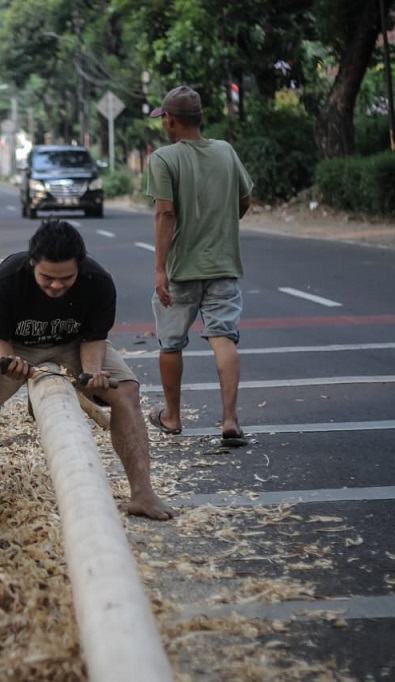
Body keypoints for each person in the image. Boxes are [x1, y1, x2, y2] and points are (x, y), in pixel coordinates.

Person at [0, 219, 176, 528]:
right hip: (13, 344)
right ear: (32, 264)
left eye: (66, 278)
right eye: (47, 278)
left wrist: (93, 372)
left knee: (127, 391)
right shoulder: (7, 279)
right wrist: (7, 361)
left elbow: (94, 339)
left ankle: (143, 494)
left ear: (80, 267)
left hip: (73, 344)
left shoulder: (98, 281)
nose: (57, 285)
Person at [144, 86, 254, 447]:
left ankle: (172, 417)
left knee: (171, 343)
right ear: (201, 118)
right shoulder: (225, 151)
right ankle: (231, 420)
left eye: (164, 119)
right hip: (223, 264)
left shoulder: (163, 158)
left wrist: (160, 269)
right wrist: (220, 225)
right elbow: (244, 200)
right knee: (224, 337)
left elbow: (164, 212)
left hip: (181, 268)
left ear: (170, 120)